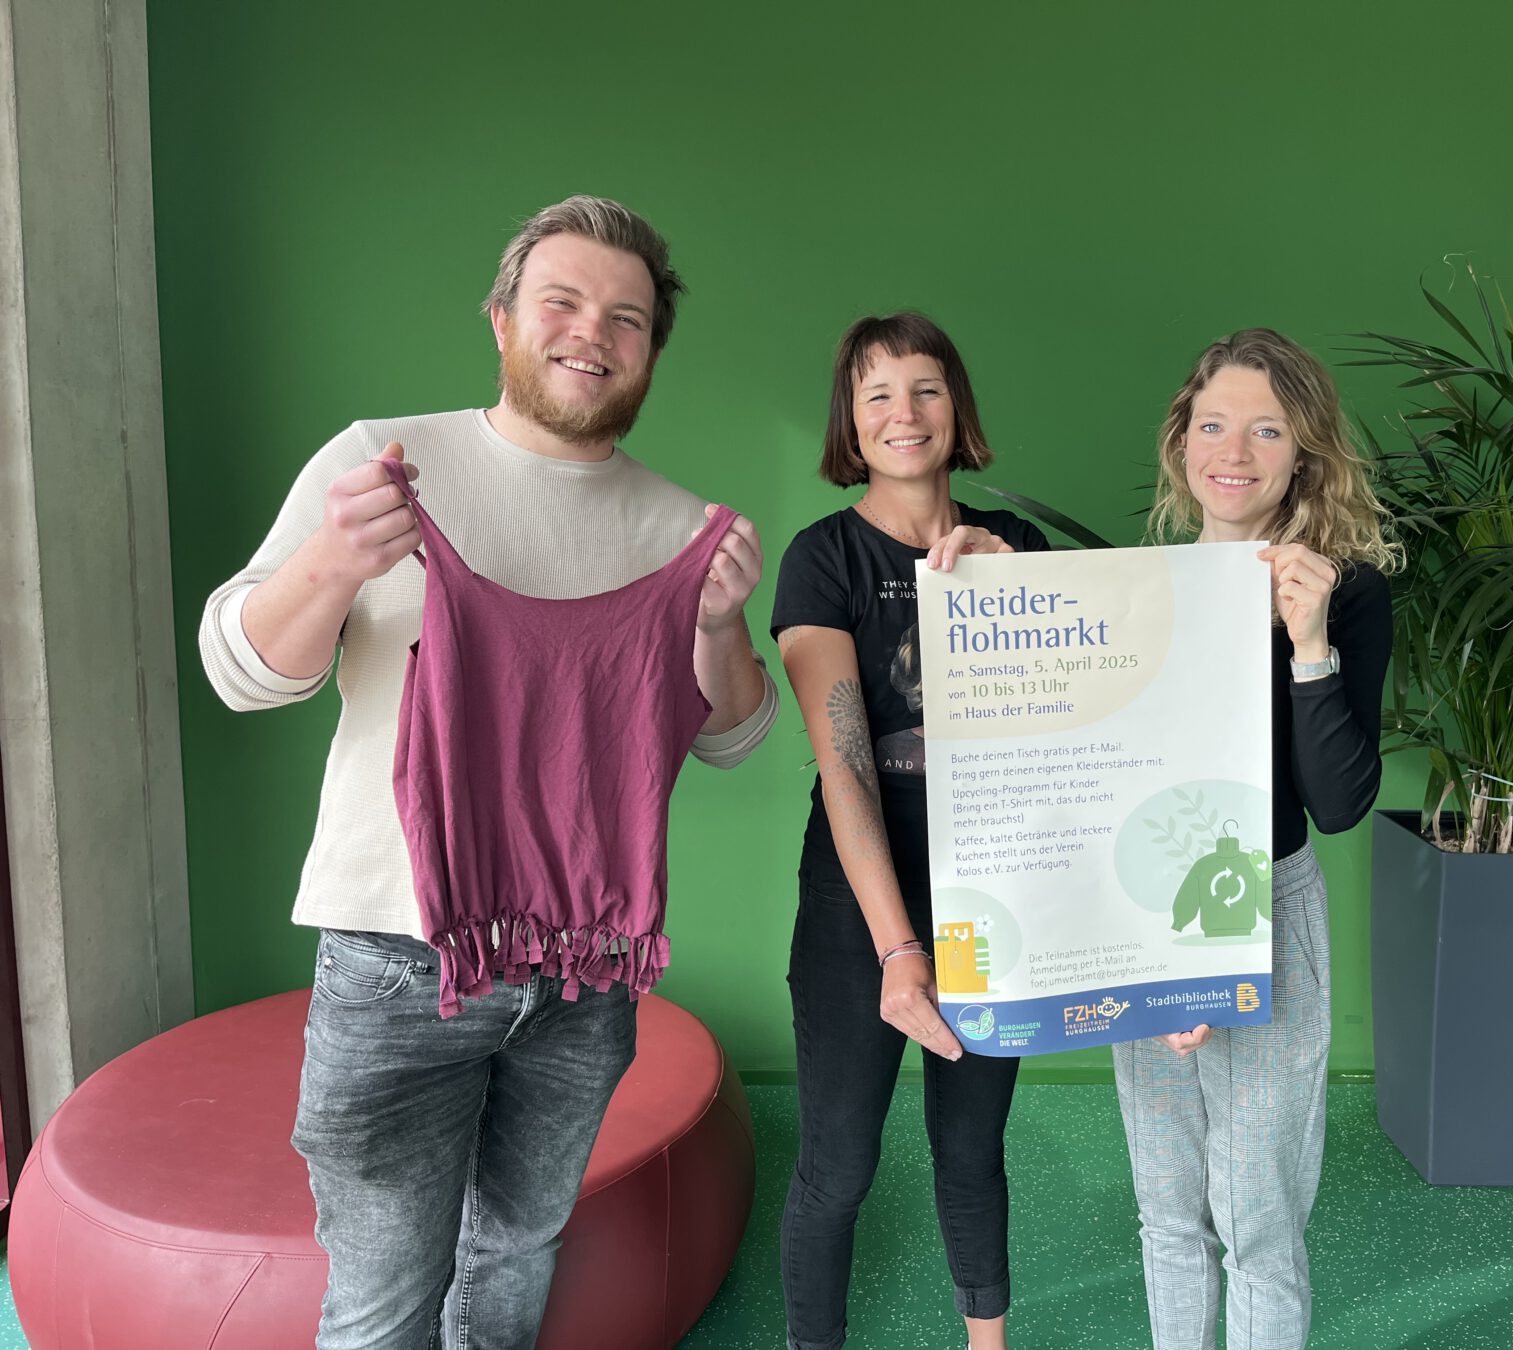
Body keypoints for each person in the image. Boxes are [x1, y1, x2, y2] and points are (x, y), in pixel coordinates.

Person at [197, 196, 777, 1349]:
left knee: (518, 1255)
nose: (592, 332)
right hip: (396, 957)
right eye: (561, 302)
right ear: (502, 318)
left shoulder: (679, 529)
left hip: (587, 969)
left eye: (627, 317)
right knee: (381, 1303)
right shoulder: (382, 461)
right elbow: (239, 671)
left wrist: (718, 631)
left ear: (651, 349)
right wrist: (328, 561)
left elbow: (730, 736)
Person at [770, 313, 1051, 1350]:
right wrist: (898, 949)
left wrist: (1010, 592)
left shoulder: (1020, 549)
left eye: (926, 388)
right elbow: (843, 763)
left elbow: (1071, 739)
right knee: (838, 1166)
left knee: (971, 1147)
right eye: (878, 393)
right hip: (862, 904)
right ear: (851, 416)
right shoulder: (822, 557)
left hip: (995, 892)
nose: (904, 413)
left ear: (956, 407)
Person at [1113, 328, 1397, 1350]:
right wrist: (1164, 961)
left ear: (1302, 455)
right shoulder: (1141, 590)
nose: (1236, 449)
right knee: (1168, 1212)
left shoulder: (1345, 591)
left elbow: (1341, 800)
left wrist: (1310, 645)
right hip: (1152, 916)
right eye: (1216, 422)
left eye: (1268, 429)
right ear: (1184, 439)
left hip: (1270, 906)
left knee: (1260, 1223)